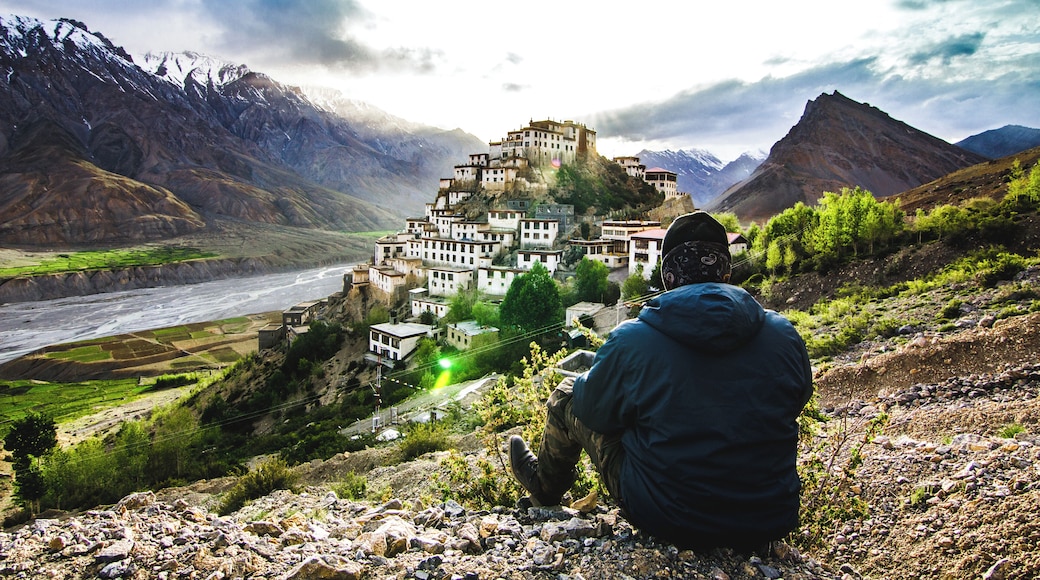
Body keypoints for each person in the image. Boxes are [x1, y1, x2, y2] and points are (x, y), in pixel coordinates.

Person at [509, 211, 813, 550]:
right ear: (727, 271)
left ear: (668, 276)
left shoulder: (632, 341)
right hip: (768, 517)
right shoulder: (785, 335)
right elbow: (796, 400)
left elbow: (591, 411)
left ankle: (542, 489)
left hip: (667, 515)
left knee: (569, 395)